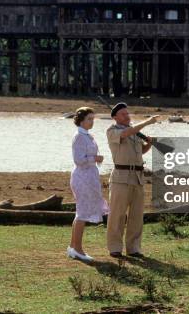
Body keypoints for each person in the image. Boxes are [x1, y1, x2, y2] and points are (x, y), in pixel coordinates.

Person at [106, 103, 160, 258]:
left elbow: (140, 151)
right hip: (121, 177)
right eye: (123, 114)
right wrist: (148, 122)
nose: (127, 116)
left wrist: (148, 144)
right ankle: (115, 247)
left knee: (137, 215)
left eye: (127, 113)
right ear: (115, 117)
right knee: (117, 214)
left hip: (137, 177)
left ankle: (134, 248)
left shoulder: (135, 133)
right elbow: (126, 133)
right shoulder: (112, 131)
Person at [67, 107, 109, 262]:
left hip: (89, 176)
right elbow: (78, 159)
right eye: (89, 119)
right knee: (82, 212)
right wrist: (95, 158)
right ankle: (77, 249)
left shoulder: (88, 136)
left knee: (81, 212)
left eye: (93, 119)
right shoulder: (79, 136)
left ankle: (73, 247)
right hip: (82, 177)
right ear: (81, 120)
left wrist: (94, 159)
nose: (92, 122)